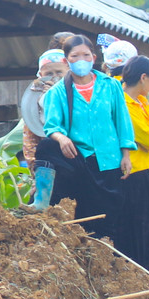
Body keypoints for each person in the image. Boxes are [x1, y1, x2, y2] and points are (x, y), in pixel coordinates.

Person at [36, 35, 135, 241]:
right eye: (75, 56)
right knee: (85, 213)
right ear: (66, 60)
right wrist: (62, 139)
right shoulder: (58, 92)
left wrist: (125, 154)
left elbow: (122, 121)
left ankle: (107, 253)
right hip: (81, 158)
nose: (81, 59)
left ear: (94, 57)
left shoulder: (110, 86)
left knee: (111, 212)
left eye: (85, 55)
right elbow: (52, 126)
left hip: (109, 158)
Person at [120, 56, 149, 270]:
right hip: (136, 172)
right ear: (143, 77)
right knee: (139, 228)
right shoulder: (124, 104)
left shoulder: (143, 103)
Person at [24, 49, 68, 185]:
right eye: (49, 73)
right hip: (47, 165)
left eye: (59, 72)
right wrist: (35, 169)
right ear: (40, 75)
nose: (54, 77)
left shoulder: (78, 96)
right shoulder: (33, 100)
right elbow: (29, 141)